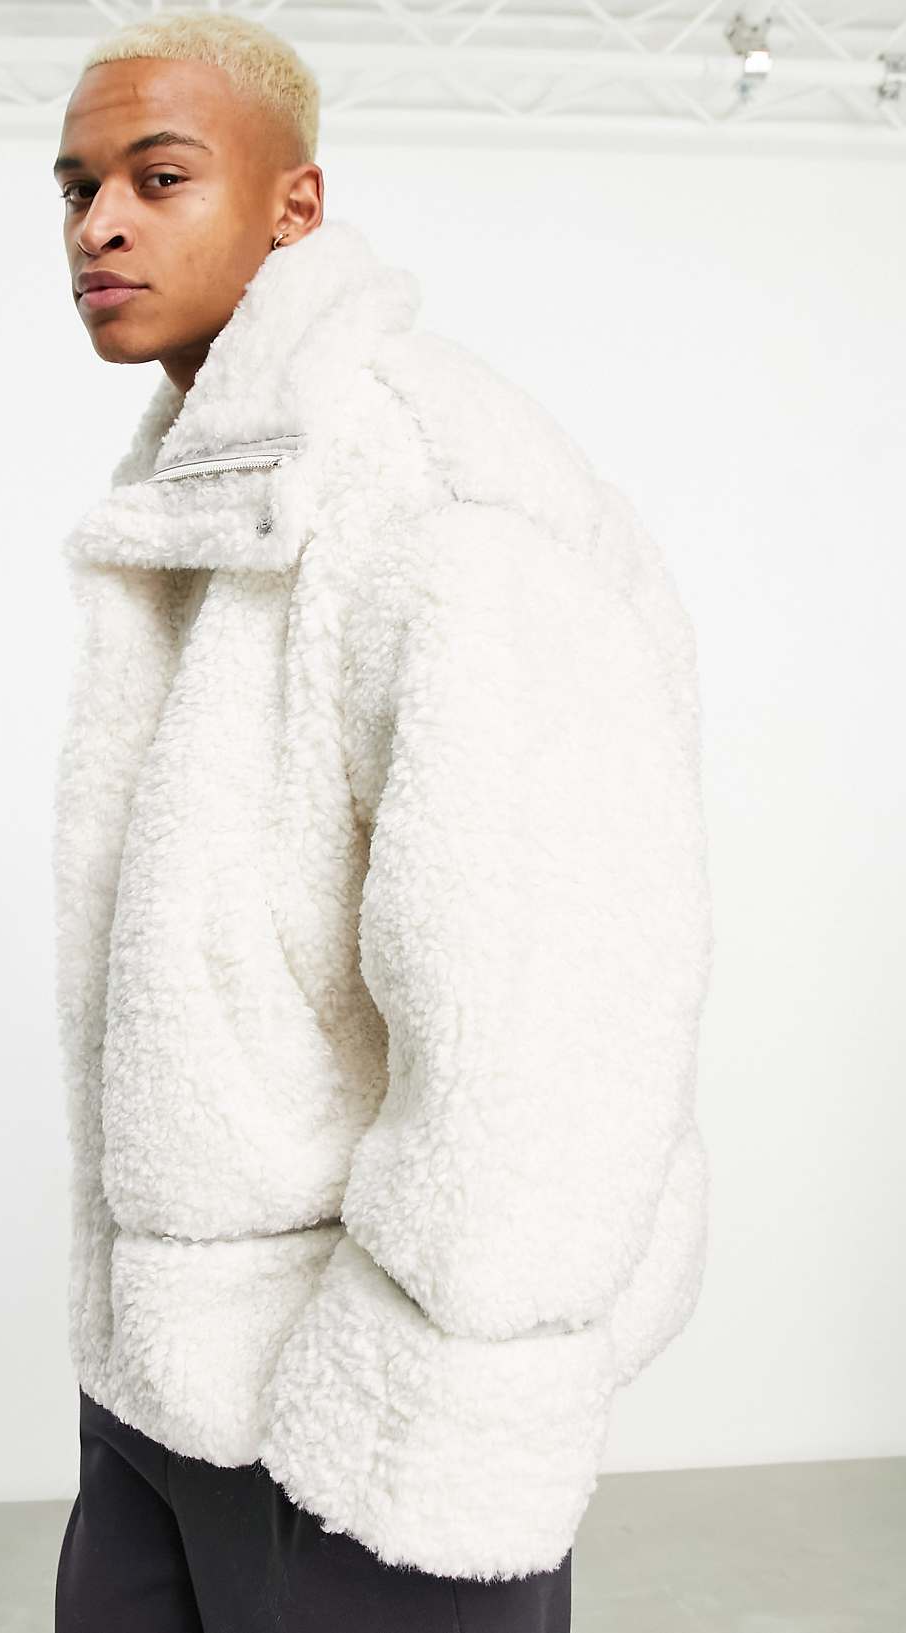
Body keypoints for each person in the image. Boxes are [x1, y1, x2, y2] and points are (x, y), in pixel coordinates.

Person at [50, 13, 714, 1632]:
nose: (100, 225)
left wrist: (410, 1391)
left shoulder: (437, 496)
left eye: (158, 177)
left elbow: (556, 1008)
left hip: (362, 1423)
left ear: (297, 205)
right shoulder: (215, 490)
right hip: (167, 1382)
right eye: (75, 188)